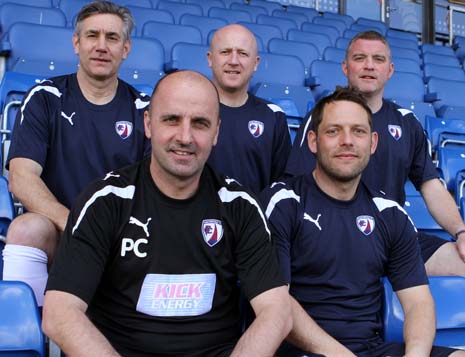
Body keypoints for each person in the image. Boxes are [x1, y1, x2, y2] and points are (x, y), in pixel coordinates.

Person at [42, 70, 292, 357]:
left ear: (216, 133)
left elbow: (277, 312)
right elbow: (60, 313)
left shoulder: (240, 206)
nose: (185, 137)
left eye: (200, 123)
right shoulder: (106, 201)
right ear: (148, 124)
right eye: (171, 119)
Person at [261, 87, 465, 357]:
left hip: (372, 349)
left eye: (358, 131)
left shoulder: (390, 213)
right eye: (333, 131)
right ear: (313, 141)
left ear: (372, 143)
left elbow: (418, 303)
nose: (347, 141)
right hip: (305, 350)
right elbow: (276, 304)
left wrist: (415, 354)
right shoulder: (282, 203)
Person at [2, 1, 150, 306]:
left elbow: (155, 186)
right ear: (76, 43)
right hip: (62, 229)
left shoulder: (144, 110)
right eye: (92, 35)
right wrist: (77, 225)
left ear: (126, 48)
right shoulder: (46, 97)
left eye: (112, 38)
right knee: (27, 228)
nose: (101, 46)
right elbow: (21, 177)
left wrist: (115, 235)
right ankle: (31, 335)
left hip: (122, 238)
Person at [285, 30, 465, 277]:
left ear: (389, 70)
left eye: (378, 59)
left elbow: (431, 186)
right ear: (346, 68)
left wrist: (461, 232)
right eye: (360, 58)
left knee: (462, 261)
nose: (369, 66)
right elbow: (297, 187)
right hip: (335, 238)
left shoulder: (407, 123)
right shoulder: (323, 117)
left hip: (392, 237)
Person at [206, 24, 291, 194]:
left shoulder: (273, 117)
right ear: (210, 59)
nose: (234, 61)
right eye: (225, 52)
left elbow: (282, 185)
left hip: (254, 219)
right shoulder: (189, 110)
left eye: (243, 53)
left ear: (255, 63)